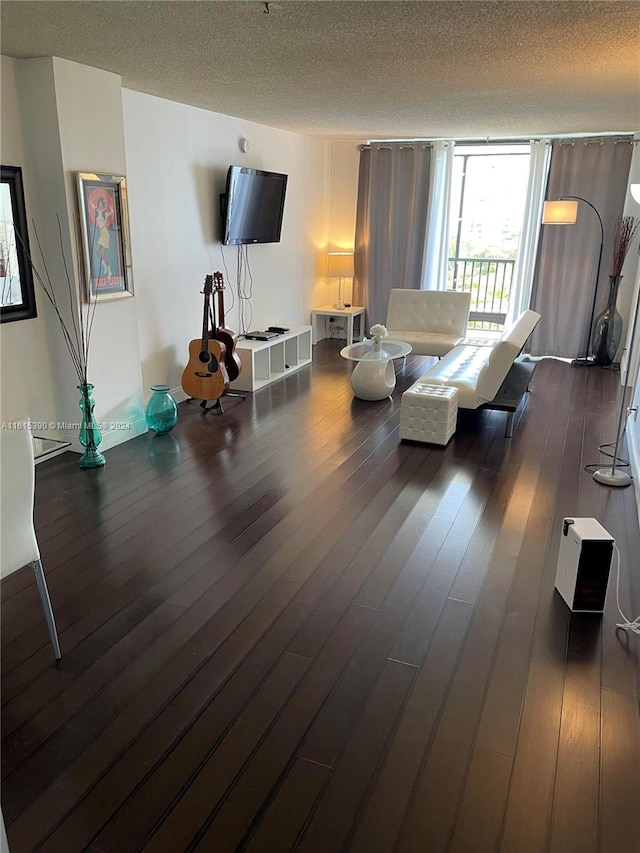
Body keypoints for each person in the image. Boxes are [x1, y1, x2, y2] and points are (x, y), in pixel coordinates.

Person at [91, 195, 114, 277]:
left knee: (103, 253)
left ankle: (109, 271)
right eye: (99, 204)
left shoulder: (105, 213)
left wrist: (107, 203)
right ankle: (104, 263)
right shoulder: (97, 211)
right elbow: (91, 204)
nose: (100, 205)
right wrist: (94, 200)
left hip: (105, 232)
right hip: (101, 232)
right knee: (97, 250)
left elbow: (112, 212)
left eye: (101, 204)